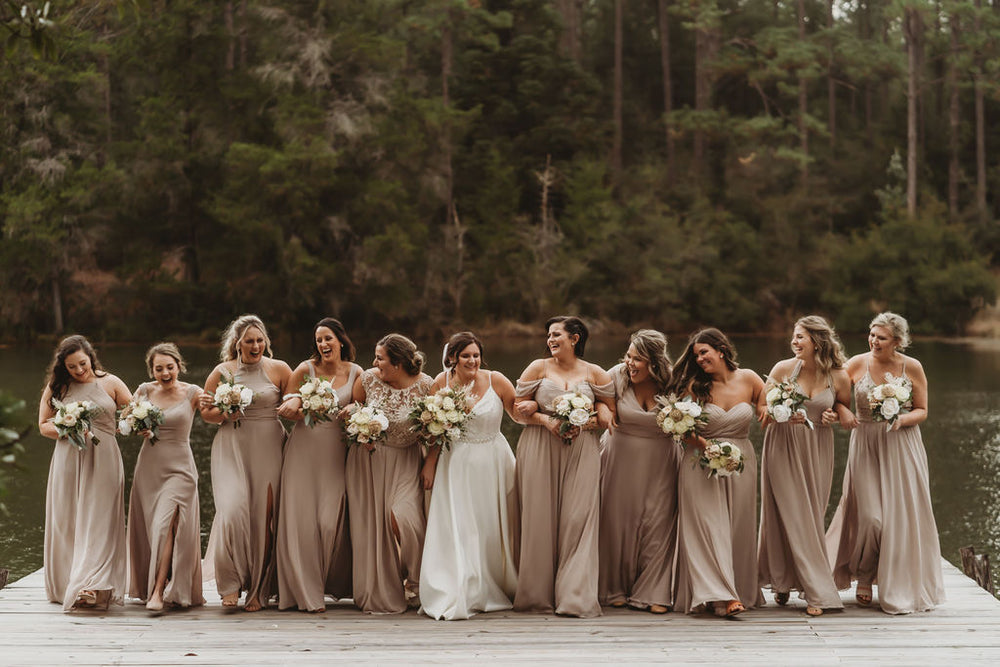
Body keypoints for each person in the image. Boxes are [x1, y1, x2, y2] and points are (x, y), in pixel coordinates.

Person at [826, 312, 945, 614]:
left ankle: (894, 579)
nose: (874, 341)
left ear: (897, 341)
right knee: (871, 518)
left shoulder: (912, 367)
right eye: (872, 335)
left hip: (902, 444)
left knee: (899, 517)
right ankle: (864, 576)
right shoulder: (856, 363)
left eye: (881, 337)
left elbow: (922, 410)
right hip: (865, 442)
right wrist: (844, 412)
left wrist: (901, 418)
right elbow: (835, 397)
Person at [511, 316, 615, 618]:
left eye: (556, 335)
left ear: (575, 338)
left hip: (582, 449)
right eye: (548, 336)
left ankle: (575, 596)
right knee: (539, 518)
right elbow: (519, 413)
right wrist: (545, 419)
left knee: (578, 519)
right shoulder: (537, 367)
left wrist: (586, 420)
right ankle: (536, 595)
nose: (550, 340)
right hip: (539, 447)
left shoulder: (595, 373)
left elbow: (609, 411)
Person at [419, 332, 519, 620]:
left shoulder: (496, 379)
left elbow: (517, 413)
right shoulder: (441, 383)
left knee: (490, 524)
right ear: (453, 358)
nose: (472, 360)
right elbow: (435, 428)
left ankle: (495, 582)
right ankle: (465, 585)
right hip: (457, 463)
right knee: (462, 525)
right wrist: (429, 464)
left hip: (494, 461)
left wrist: (545, 414)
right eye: (466, 356)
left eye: (476, 355)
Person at [757, 316, 851, 616]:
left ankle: (784, 582)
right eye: (794, 337)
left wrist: (833, 416)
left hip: (818, 448)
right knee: (787, 512)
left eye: (801, 338)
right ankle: (816, 592)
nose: (795, 342)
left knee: (810, 514)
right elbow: (762, 409)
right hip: (782, 444)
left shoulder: (839, 376)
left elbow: (841, 406)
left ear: (817, 341)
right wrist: (782, 414)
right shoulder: (782, 369)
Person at [669, 328, 764, 617]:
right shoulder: (694, 388)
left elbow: (765, 401)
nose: (698, 359)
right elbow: (682, 428)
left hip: (740, 463)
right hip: (701, 461)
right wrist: (706, 446)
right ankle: (721, 596)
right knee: (710, 528)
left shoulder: (749, 378)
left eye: (703, 352)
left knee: (736, 527)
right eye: (696, 355)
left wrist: (766, 409)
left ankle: (733, 588)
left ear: (721, 349)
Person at [199, 315, 292, 611]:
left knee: (265, 517)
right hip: (232, 446)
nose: (256, 345)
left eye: (260, 340)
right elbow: (207, 413)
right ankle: (230, 583)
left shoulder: (280, 369)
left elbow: (293, 405)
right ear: (237, 343)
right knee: (232, 511)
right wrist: (226, 413)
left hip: (270, 445)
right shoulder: (222, 371)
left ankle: (260, 589)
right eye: (249, 341)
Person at [37, 335, 131, 611]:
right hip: (68, 458)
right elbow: (44, 426)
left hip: (104, 460)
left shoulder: (111, 383)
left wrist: (139, 424)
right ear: (63, 367)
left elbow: (134, 414)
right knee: (68, 519)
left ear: (91, 356)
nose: (79, 370)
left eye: (82, 363)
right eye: (72, 367)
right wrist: (69, 428)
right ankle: (70, 581)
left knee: (101, 519)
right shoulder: (57, 387)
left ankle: (95, 583)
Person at [275, 318, 361, 612]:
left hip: (337, 453)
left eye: (328, 339)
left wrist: (353, 408)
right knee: (302, 524)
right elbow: (287, 410)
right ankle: (306, 593)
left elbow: (362, 406)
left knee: (328, 521)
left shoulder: (356, 372)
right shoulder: (304, 369)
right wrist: (301, 403)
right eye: (319, 340)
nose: (323, 345)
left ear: (340, 340)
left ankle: (323, 582)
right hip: (303, 451)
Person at [345, 333, 432, 613]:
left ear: (397, 363)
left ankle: (415, 581)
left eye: (380, 358)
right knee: (375, 527)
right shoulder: (368, 379)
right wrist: (359, 428)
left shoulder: (426, 386)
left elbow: (436, 429)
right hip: (369, 461)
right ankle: (383, 585)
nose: (374, 363)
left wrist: (431, 462)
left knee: (404, 518)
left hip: (408, 460)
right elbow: (353, 412)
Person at [599, 329, 678, 614]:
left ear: (655, 362)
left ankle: (653, 590)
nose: (630, 364)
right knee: (617, 521)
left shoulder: (673, 381)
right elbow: (596, 397)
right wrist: (603, 410)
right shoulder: (615, 376)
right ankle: (613, 588)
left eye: (638, 359)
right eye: (628, 356)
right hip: (619, 458)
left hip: (662, 461)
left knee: (658, 523)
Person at [127, 342, 206, 612]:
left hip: (181, 469)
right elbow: (125, 423)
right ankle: (161, 585)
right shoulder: (144, 391)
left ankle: (158, 591)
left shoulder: (193, 393)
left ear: (178, 366)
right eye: (158, 368)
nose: (164, 373)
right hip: (149, 469)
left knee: (166, 525)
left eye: (169, 367)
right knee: (157, 530)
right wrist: (139, 429)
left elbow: (216, 415)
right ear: (152, 370)